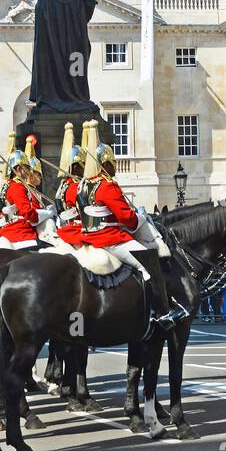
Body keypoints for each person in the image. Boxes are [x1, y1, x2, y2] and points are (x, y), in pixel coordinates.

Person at [80, 140, 186, 329]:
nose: (115, 167)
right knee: (149, 262)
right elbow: (128, 219)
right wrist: (140, 219)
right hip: (110, 238)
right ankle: (162, 313)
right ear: (104, 164)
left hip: (91, 237)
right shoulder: (107, 186)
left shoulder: (86, 187)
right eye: (112, 163)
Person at [1, 152, 53, 249]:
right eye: (28, 168)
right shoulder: (17, 187)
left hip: (20, 229)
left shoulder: (15, 185)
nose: (30, 172)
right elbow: (27, 213)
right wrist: (45, 214)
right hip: (21, 232)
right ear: (19, 169)